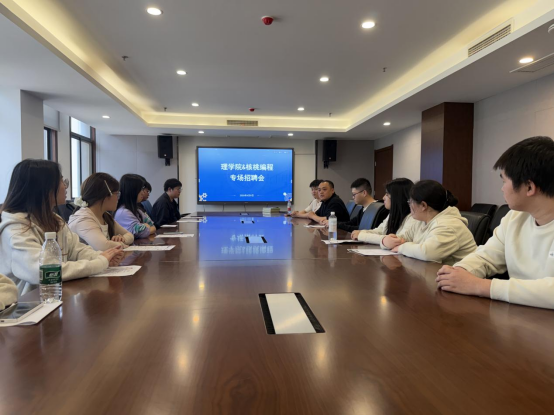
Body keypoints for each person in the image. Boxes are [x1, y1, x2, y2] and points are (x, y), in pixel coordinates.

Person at [437, 137, 554, 309]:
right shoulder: (514, 217)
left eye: (504, 181)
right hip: (518, 314)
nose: (502, 188)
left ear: (529, 187)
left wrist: (481, 286)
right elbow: (486, 256)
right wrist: (460, 271)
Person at [0, 160, 123, 295]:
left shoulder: (55, 220)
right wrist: (99, 263)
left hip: (54, 297)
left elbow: (76, 250)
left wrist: (104, 256)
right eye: (61, 181)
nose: (65, 186)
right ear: (44, 187)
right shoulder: (15, 228)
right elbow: (44, 272)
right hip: (27, 304)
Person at [382, 180, 477, 265]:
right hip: (435, 272)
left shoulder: (449, 225)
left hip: (462, 276)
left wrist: (401, 248)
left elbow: (427, 253)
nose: (409, 205)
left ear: (423, 205)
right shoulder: (421, 221)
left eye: (410, 202)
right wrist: (385, 241)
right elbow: (401, 239)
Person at [68, 173, 134, 251]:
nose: (118, 198)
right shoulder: (83, 218)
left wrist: (122, 239)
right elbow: (103, 246)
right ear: (105, 195)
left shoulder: (105, 216)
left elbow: (130, 235)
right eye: (117, 194)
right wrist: (121, 244)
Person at [352, 178, 417, 244]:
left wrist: (361, 236)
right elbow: (380, 231)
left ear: (397, 197)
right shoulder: (392, 214)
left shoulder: (413, 218)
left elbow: (395, 240)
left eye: (387, 194)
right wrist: (361, 232)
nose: (383, 198)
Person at [115, 174, 157, 239]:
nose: (143, 193)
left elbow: (153, 226)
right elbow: (142, 233)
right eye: (141, 189)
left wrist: (146, 227)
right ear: (132, 190)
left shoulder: (137, 210)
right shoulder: (123, 212)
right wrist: (146, 226)